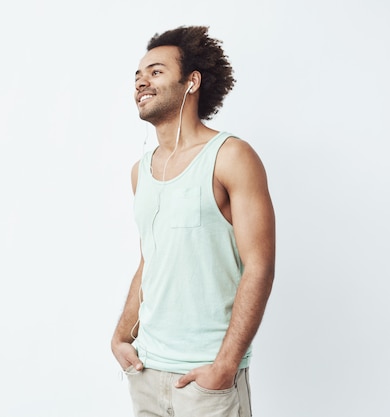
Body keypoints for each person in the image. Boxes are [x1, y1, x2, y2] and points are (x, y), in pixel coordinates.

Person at [111, 26, 276, 417]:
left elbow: (260, 266)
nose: (141, 83)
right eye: (137, 76)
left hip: (207, 380)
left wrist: (225, 366)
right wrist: (121, 336)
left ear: (192, 82)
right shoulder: (141, 171)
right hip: (147, 371)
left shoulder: (231, 156)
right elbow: (151, 261)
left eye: (155, 72)